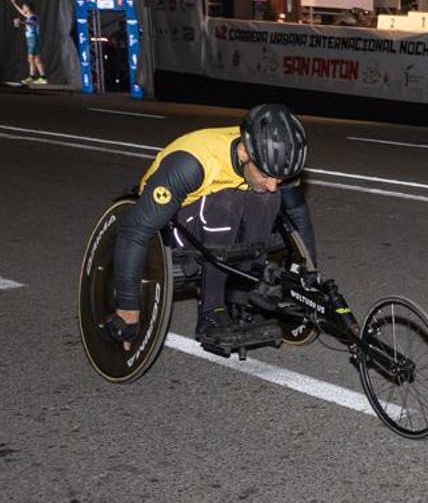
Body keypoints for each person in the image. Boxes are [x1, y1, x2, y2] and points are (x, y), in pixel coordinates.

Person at [101, 104, 317, 351]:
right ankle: (211, 311)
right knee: (228, 202)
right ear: (245, 151)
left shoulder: (275, 165)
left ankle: (241, 298)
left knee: (269, 198)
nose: (272, 183)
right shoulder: (192, 162)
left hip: (225, 228)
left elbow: (298, 217)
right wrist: (128, 309)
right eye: (267, 175)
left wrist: (306, 274)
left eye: (279, 178)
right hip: (171, 227)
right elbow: (134, 231)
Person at [8, 0, 45, 83]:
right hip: (31, 39)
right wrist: (14, 3)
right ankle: (40, 78)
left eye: (24, 7)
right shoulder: (28, 16)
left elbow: (33, 24)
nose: (23, 8)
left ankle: (34, 77)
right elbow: (21, 12)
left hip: (33, 39)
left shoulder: (33, 17)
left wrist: (21, 22)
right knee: (36, 60)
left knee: (31, 58)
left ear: (28, 8)